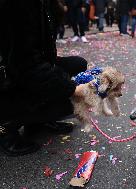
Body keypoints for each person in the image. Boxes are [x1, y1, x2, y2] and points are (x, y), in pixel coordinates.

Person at [0, 0, 88, 156]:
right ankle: (6, 127)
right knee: (67, 102)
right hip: (7, 80)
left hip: (21, 68)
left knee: (79, 65)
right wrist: (71, 88)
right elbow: (25, 64)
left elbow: (42, 54)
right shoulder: (17, 5)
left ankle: (37, 123)